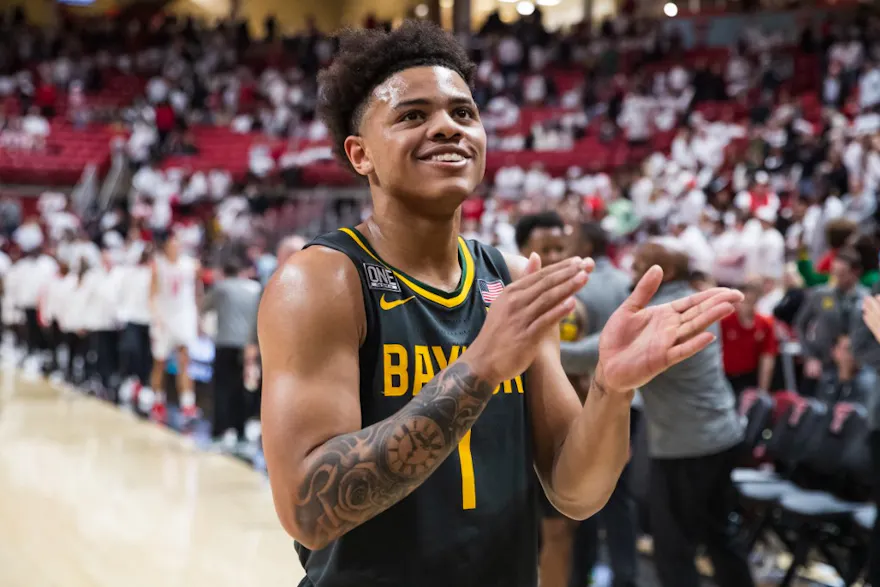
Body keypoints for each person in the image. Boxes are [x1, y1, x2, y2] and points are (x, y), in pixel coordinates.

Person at [258, 21, 742, 587]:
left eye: (463, 113)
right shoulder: (321, 280)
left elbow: (574, 491)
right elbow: (310, 512)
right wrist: (480, 367)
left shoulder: (508, 280)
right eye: (413, 115)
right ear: (360, 154)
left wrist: (612, 387)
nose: (447, 128)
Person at [627, 240, 755, 587]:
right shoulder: (694, 298)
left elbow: (604, 351)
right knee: (719, 533)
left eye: (640, 265)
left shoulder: (664, 309)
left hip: (687, 445)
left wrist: (549, 349)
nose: (632, 271)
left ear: (664, 272)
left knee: (673, 545)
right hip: (719, 434)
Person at [514, 210, 587, 587]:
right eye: (547, 248)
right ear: (525, 251)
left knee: (560, 534)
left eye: (562, 247)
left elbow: (584, 381)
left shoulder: (578, 309)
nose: (557, 256)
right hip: (514, 438)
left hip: (559, 436)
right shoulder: (504, 302)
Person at [143, 233, 201, 423]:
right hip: (164, 317)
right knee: (159, 362)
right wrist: (156, 317)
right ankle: (158, 400)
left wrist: (197, 317)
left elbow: (197, 292)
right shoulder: (157, 265)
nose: (175, 248)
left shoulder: (191, 265)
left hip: (184, 316)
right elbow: (151, 294)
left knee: (185, 360)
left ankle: (187, 403)